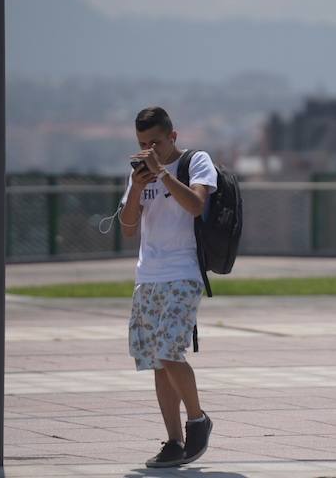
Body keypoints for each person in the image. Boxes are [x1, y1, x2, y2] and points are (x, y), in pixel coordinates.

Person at [119, 106, 216, 468]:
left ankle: (198, 420)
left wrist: (163, 175)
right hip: (148, 277)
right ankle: (174, 441)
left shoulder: (196, 162)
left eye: (156, 142)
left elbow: (195, 206)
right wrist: (138, 186)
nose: (149, 150)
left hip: (183, 271)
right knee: (157, 361)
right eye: (143, 144)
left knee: (169, 351)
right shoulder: (139, 174)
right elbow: (128, 227)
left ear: (172, 137)